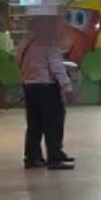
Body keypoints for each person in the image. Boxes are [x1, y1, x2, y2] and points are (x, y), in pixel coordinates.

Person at [16, 13, 75, 170]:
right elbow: (57, 68)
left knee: (34, 124)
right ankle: (54, 157)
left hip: (30, 87)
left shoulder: (25, 42)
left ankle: (32, 157)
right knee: (53, 122)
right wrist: (67, 87)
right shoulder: (47, 44)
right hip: (46, 89)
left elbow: (18, 61)